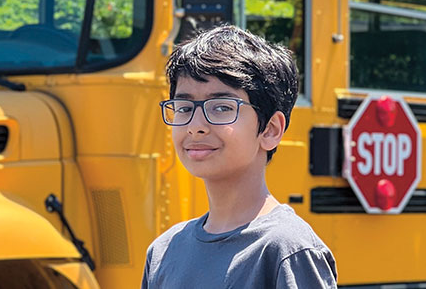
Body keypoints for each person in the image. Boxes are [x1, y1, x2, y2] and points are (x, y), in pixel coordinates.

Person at [141, 25, 337, 288]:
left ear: (270, 129)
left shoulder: (286, 250)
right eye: (184, 107)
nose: (195, 125)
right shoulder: (163, 252)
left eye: (221, 107)